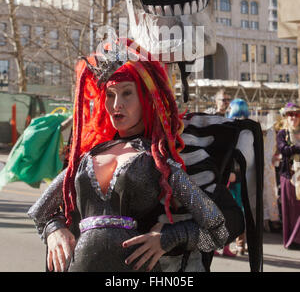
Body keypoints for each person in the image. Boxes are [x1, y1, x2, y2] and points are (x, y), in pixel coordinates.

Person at [28, 38, 228, 272]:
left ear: (146, 99)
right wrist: (54, 230)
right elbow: (40, 212)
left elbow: (218, 232)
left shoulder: (158, 159)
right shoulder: (86, 157)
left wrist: (170, 238)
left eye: (126, 93)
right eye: (110, 95)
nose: (116, 105)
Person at [226, 98, 249, 255]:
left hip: (238, 176)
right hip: (232, 176)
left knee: (239, 210)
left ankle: (239, 244)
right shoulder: (231, 127)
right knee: (235, 210)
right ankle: (230, 245)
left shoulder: (246, 129)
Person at [276, 102, 300, 250]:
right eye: (290, 114)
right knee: (290, 209)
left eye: (296, 114)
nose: (293, 117)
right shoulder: (282, 133)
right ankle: (292, 241)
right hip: (288, 175)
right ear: (286, 116)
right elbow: (284, 150)